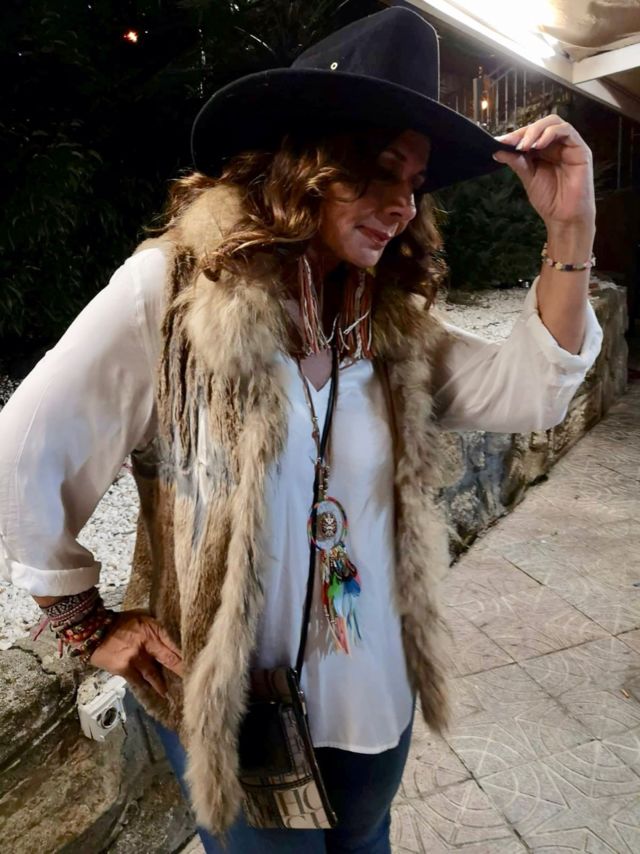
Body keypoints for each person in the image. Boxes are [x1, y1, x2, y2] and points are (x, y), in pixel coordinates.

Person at [0, 7, 602, 853]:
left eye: (415, 183)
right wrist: (82, 620)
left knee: (366, 841)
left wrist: (570, 228)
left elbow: (531, 391)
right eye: (380, 171)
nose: (402, 205)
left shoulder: (386, 324)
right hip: (238, 707)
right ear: (304, 162)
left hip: (374, 687)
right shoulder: (173, 297)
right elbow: (24, 445)